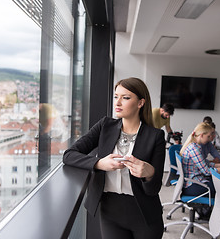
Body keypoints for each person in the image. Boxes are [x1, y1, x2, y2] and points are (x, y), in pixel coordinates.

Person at [63, 77, 165, 239]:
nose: (117, 102)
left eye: (125, 98)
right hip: (110, 212)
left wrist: (149, 173)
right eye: (116, 96)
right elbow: (69, 155)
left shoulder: (156, 136)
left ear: (140, 103)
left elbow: (153, 189)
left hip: (145, 215)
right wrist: (99, 163)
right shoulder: (105, 126)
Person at [180, 122, 220, 199]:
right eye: (208, 136)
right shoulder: (194, 149)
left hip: (195, 182)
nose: (209, 139)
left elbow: (205, 163)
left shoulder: (194, 146)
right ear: (201, 135)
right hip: (193, 185)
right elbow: (207, 171)